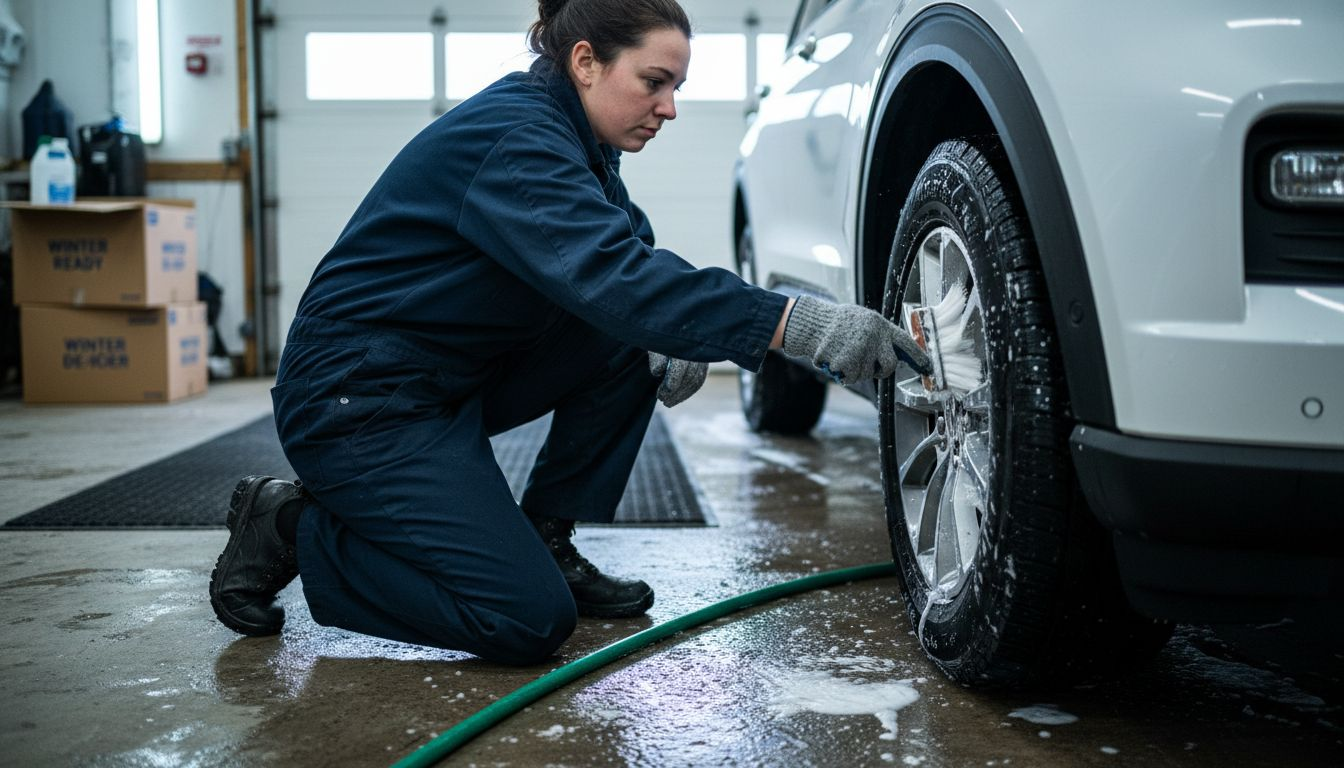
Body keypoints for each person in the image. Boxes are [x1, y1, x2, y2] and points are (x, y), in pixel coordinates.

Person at [208, 0, 930, 665]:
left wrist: (674, 328)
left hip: (442, 379)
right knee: (524, 620)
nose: (669, 107)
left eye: (675, 87)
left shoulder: (575, 137)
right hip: (357, 400)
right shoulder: (519, 140)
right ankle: (291, 526)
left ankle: (548, 539)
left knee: (631, 339)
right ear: (585, 62)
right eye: (654, 82)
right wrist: (789, 322)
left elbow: (630, 250)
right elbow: (615, 276)